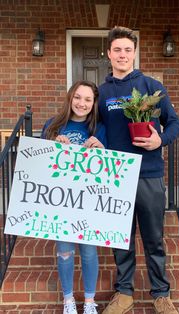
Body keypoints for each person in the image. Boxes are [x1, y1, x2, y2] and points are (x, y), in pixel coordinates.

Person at [98, 26, 179, 314]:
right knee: (120, 239)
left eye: (128, 50)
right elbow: (91, 126)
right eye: (117, 50)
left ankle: (161, 294)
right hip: (114, 176)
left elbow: (174, 124)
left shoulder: (151, 86)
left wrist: (160, 139)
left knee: (153, 239)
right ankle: (124, 294)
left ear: (134, 53)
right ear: (109, 54)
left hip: (149, 174)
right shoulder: (103, 92)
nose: (122, 54)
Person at [41, 80, 107, 314]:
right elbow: (40, 163)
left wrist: (101, 147)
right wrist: (53, 145)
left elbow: (110, 168)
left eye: (88, 99)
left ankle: (89, 302)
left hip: (88, 200)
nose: (82, 103)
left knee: (89, 251)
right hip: (61, 201)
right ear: (70, 98)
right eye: (78, 97)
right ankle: (68, 300)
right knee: (65, 251)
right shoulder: (53, 125)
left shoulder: (99, 128)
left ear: (93, 103)